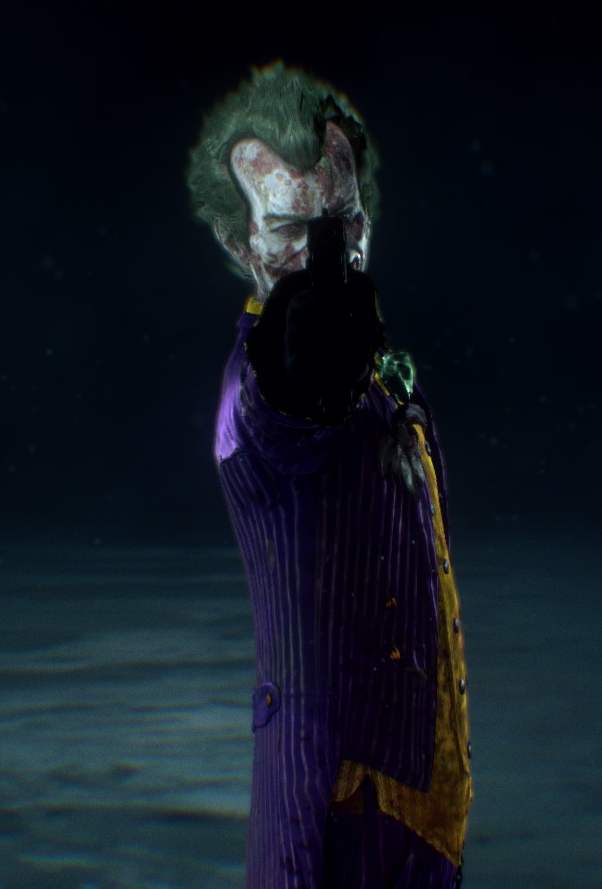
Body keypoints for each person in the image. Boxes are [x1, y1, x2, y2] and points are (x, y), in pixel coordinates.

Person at [189, 63, 472, 887]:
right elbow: (283, 411)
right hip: (332, 811)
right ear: (238, 242)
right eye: (288, 228)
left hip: (421, 798)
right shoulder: (260, 389)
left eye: (342, 221)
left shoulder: (373, 361)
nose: (326, 253)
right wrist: (304, 365)